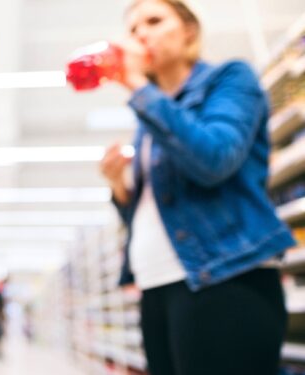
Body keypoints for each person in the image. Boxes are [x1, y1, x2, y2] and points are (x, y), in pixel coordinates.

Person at [99, 1, 295, 374]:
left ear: (189, 30)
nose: (141, 34)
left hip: (223, 277)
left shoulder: (229, 78)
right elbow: (149, 212)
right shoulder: (150, 117)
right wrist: (118, 184)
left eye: (154, 21)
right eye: (133, 28)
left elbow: (215, 159)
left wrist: (138, 85)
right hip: (157, 282)